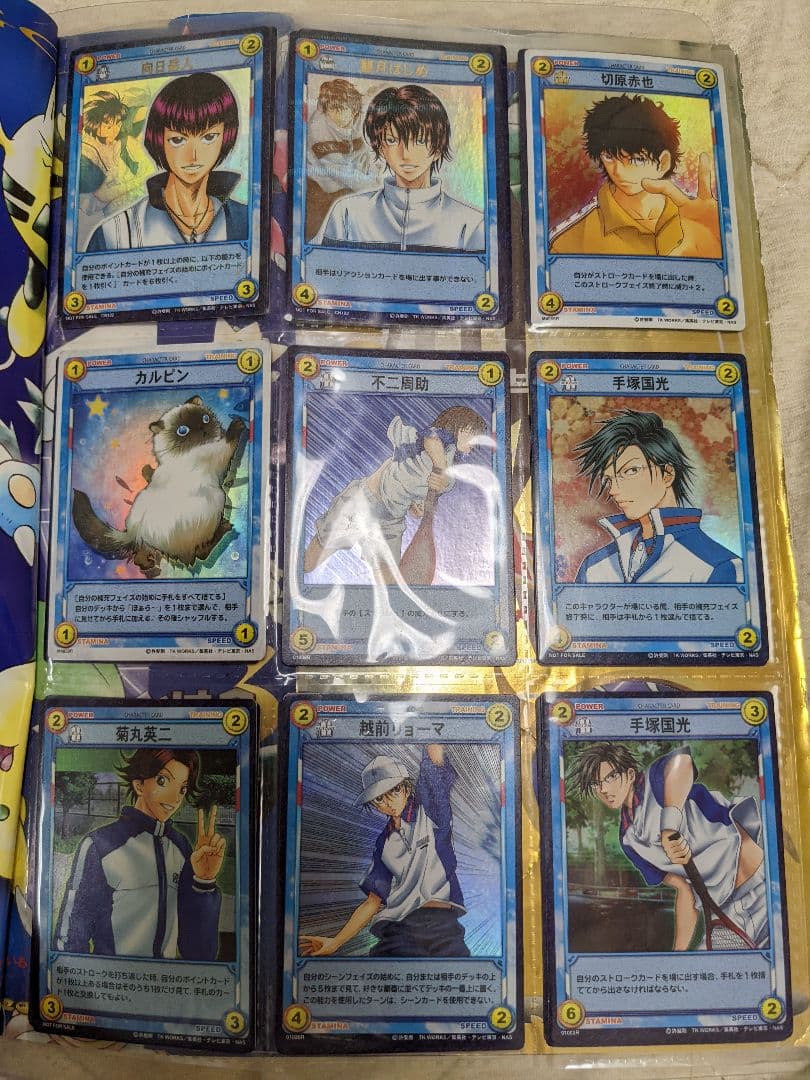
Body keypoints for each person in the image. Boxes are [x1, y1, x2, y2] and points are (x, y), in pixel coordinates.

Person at [569, 742, 769, 951]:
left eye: (610, 777)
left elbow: (682, 763)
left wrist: (669, 827)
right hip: (727, 911)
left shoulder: (655, 781)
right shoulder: (628, 840)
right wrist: (678, 953)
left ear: (629, 774)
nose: (604, 789)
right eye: (596, 784)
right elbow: (684, 891)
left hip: (760, 885)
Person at [55, 748, 226, 959]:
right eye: (163, 781)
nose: (175, 797)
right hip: (113, 977)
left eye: (182, 789)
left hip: (165, 978)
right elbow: (70, 936)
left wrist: (204, 882)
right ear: (139, 785)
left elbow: (200, 952)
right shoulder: (100, 845)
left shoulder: (181, 847)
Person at [299, 745, 469, 957]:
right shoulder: (384, 843)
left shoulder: (430, 812)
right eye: (379, 798)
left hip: (443, 926)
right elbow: (373, 901)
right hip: (399, 929)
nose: (388, 802)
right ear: (373, 803)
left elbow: (435, 767)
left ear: (406, 788)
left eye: (394, 791)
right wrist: (335, 943)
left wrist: (436, 733)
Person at [303, 405, 487, 582]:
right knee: (311, 561)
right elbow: (432, 440)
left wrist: (416, 506)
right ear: (458, 426)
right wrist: (441, 469)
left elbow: (410, 488)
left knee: (389, 582)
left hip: (391, 521)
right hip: (362, 503)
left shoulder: (451, 462)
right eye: (472, 434)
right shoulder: (439, 439)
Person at [572, 409, 742, 584]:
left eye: (631, 471)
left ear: (667, 474)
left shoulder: (717, 567)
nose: (613, 490)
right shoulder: (594, 567)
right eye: (609, 479)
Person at [85, 72, 247, 251]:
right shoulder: (115, 234)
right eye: (178, 140)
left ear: (226, 136)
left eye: (209, 137)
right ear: (159, 139)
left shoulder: (244, 220)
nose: (193, 155)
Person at [315, 84, 484, 251]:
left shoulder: (470, 223)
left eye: (420, 141)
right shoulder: (348, 213)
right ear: (380, 147)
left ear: (438, 148)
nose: (406, 154)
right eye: (392, 140)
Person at [549, 94, 721, 258]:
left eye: (636, 159)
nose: (618, 171)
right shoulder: (570, 241)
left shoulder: (702, 219)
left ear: (663, 163)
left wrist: (721, 241)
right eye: (609, 157)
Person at [305, 77, 382, 238]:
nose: (334, 115)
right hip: (322, 183)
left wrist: (376, 180)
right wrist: (374, 189)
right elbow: (339, 170)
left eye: (341, 109)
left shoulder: (364, 119)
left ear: (353, 109)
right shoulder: (318, 128)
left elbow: (369, 156)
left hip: (354, 180)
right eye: (331, 109)